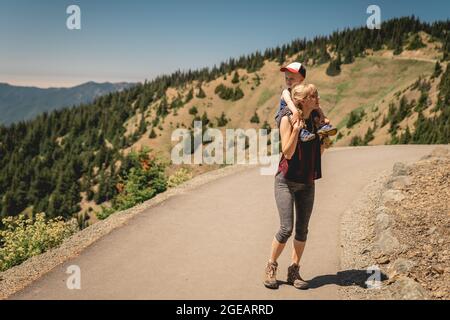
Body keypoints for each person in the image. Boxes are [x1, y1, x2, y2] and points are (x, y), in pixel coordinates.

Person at [264, 84, 325, 290]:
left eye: (316, 94)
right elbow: (287, 153)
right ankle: (271, 266)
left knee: (302, 230)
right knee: (286, 228)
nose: (317, 98)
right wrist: (297, 131)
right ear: (301, 100)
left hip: (307, 182)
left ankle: (294, 271)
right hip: (286, 181)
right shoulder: (287, 119)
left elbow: (318, 153)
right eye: (312, 95)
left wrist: (324, 141)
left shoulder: (315, 121)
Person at [276, 62, 337, 142]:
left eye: (291, 78)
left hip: (298, 112)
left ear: (301, 79)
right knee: (291, 113)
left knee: (312, 108)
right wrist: (295, 112)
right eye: (286, 78)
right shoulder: (286, 92)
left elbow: (316, 105)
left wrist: (322, 116)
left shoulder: (304, 91)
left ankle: (321, 126)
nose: (288, 81)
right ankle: (301, 131)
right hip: (284, 114)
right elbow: (289, 102)